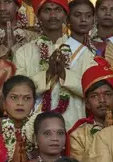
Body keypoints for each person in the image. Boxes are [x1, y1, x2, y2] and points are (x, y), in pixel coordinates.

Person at [14, 0, 96, 130]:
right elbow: (18, 92)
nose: (53, 15)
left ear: (65, 15)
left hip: (74, 127)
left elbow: (92, 90)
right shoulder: (24, 52)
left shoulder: (83, 53)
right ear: (38, 15)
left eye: (58, 10)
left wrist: (64, 75)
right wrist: (47, 75)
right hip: (35, 128)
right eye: (47, 10)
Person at [68, 57, 113, 162]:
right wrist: (106, 135)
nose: (102, 100)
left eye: (107, 94)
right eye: (94, 96)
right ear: (87, 103)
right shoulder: (78, 135)